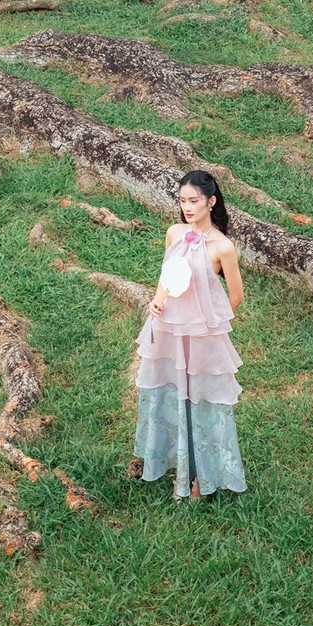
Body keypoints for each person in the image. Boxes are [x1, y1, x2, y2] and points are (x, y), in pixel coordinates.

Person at [132, 171, 246, 501]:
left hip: (201, 336)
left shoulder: (223, 246)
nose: (187, 207)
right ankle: (180, 468)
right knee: (170, 395)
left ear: (211, 202)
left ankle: (203, 477)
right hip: (168, 329)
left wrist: (210, 325)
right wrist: (158, 300)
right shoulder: (174, 233)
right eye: (182, 201)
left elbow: (235, 295)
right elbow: (167, 276)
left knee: (204, 401)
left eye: (194, 201)